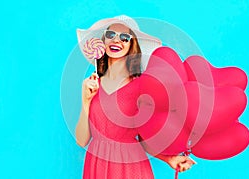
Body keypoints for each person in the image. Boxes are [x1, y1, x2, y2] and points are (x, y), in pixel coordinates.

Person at [76, 15, 196, 179]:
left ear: (132, 45)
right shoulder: (92, 84)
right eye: (111, 35)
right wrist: (86, 100)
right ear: (102, 42)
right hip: (97, 162)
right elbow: (82, 141)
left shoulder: (141, 86)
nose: (117, 40)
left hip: (130, 165)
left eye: (124, 37)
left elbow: (144, 137)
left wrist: (169, 159)